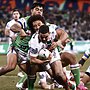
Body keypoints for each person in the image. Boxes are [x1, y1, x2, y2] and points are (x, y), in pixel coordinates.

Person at [5, 8, 24, 78]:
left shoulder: (23, 22)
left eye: (17, 14)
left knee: (23, 58)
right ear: (12, 15)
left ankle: (20, 72)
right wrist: (11, 35)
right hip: (12, 44)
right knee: (10, 64)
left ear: (19, 15)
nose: (16, 15)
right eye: (14, 14)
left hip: (21, 44)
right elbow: (6, 32)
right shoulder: (9, 23)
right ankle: (3, 69)